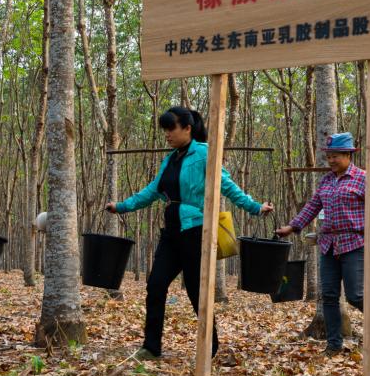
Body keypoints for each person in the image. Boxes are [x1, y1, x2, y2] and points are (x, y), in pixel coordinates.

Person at [105, 106, 273, 361]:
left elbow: (227, 186)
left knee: (197, 292)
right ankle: (151, 347)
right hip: (171, 234)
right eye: (165, 130)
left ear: (188, 128)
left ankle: (210, 348)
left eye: (171, 128)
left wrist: (256, 207)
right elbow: (153, 190)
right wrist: (122, 206)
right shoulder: (170, 159)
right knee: (156, 284)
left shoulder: (205, 154)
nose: (167, 135)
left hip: (196, 233)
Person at [276, 133, 370, 356]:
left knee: (356, 295)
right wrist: (292, 227)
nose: (332, 161)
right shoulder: (326, 180)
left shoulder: (363, 179)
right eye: (329, 157)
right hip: (328, 244)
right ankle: (334, 345)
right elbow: (312, 206)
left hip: (354, 243)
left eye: (336, 156)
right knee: (329, 295)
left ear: (348, 155)